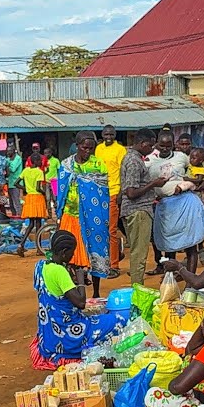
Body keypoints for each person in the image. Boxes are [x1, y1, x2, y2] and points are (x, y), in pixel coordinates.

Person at [33, 231, 125, 363]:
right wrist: (80, 280)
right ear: (64, 252)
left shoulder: (40, 266)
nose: (73, 255)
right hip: (68, 333)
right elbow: (80, 303)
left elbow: (56, 290)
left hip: (50, 334)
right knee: (116, 320)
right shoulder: (60, 272)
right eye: (72, 252)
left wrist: (74, 281)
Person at [56, 131, 112, 298]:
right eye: (84, 147)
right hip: (69, 215)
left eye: (91, 148)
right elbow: (61, 189)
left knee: (95, 250)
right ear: (77, 146)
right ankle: (74, 291)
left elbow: (103, 192)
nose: (87, 151)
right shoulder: (66, 165)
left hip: (93, 217)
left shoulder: (99, 165)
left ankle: (95, 292)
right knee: (69, 254)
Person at [152, 131, 204, 273]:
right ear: (157, 143)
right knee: (169, 245)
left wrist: (197, 183)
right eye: (162, 145)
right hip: (165, 206)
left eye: (168, 145)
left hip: (185, 204)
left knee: (190, 245)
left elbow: (198, 170)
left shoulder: (182, 157)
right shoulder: (150, 160)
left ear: (173, 145)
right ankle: (169, 279)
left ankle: (190, 282)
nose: (165, 148)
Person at [121, 129, 163, 286]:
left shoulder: (135, 158)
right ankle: (137, 288)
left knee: (137, 251)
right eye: (150, 146)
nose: (152, 149)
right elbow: (131, 192)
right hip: (138, 210)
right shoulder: (134, 161)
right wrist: (154, 183)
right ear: (143, 143)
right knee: (139, 253)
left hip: (136, 210)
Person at [95, 125, 126, 276]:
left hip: (114, 191)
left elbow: (123, 171)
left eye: (111, 134)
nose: (108, 136)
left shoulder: (120, 150)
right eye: (106, 134)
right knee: (100, 229)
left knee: (111, 230)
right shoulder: (98, 149)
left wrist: (121, 192)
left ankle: (114, 265)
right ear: (102, 134)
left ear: (115, 135)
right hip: (100, 193)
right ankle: (105, 261)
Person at [16, 150, 49, 257]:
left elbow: (16, 183)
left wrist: (25, 188)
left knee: (31, 224)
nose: (41, 161)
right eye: (40, 160)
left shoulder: (26, 171)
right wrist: (44, 194)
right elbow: (38, 188)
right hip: (37, 198)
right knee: (38, 224)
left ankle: (21, 244)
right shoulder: (39, 172)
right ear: (36, 161)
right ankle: (39, 248)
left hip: (29, 198)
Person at [6, 144, 24, 216]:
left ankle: (20, 216)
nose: (8, 152)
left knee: (16, 201)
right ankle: (14, 216)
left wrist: (7, 165)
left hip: (17, 183)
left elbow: (13, 169)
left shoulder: (18, 158)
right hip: (10, 183)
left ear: (14, 151)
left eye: (9, 151)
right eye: (7, 151)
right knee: (11, 203)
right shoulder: (8, 159)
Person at [43, 146, 60, 217]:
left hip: (54, 181)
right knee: (47, 199)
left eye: (47, 153)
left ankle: (57, 213)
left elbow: (59, 170)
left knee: (55, 198)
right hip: (46, 182)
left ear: (51, 153)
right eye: (45, 153)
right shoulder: (43, 161)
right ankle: (49, 215)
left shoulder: (56, 160)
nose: (46, 154)